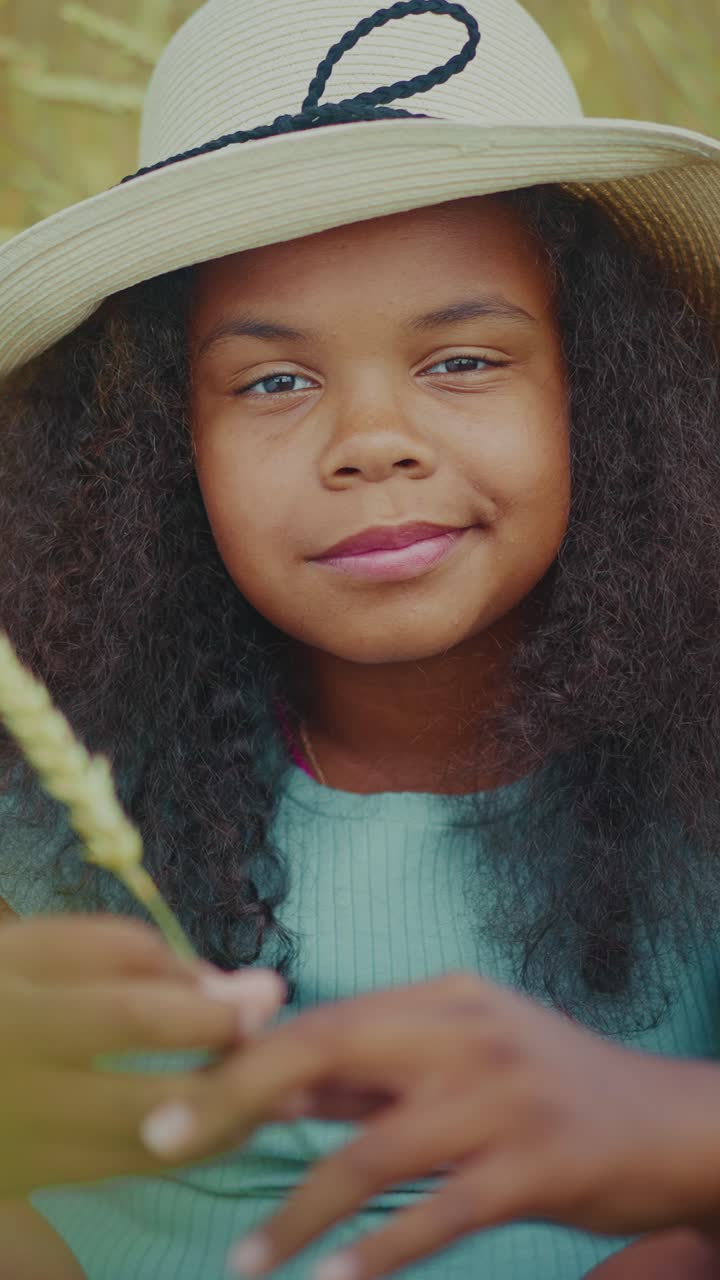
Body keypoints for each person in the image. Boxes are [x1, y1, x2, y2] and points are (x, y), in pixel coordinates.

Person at [1, 0, 720, 1276]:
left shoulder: (701, 776)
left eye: (462, 359)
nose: (370, 440)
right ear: (165, 449)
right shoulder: (46, 781)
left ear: (598, 391)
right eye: (274, 380)